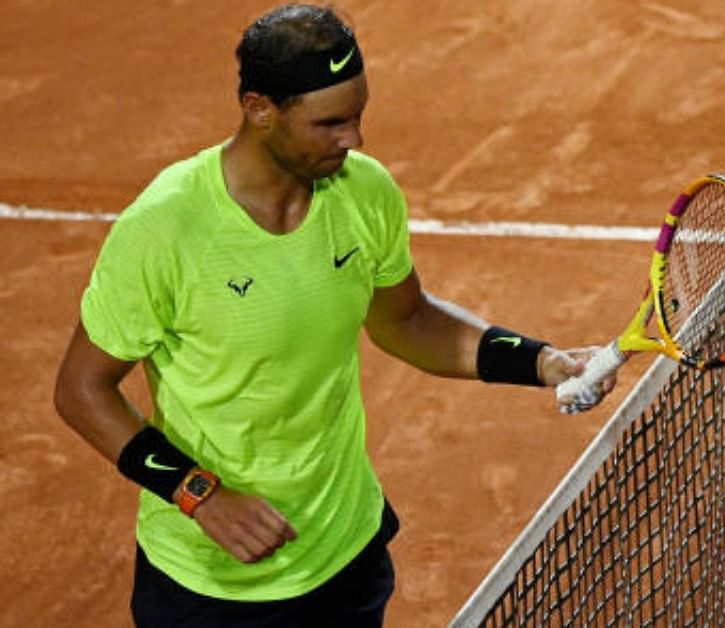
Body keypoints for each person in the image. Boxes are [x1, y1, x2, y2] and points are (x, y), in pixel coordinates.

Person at [52, 5, 611, 626]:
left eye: (358, 115)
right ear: (260, 109)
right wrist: (199, 496)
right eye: (330, 122)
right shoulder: (165, 228)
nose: (354, 139)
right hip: (210, 585)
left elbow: (407, 321)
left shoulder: (364, 193)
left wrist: (540, 361)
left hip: (344, 552)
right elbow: (82, 389)